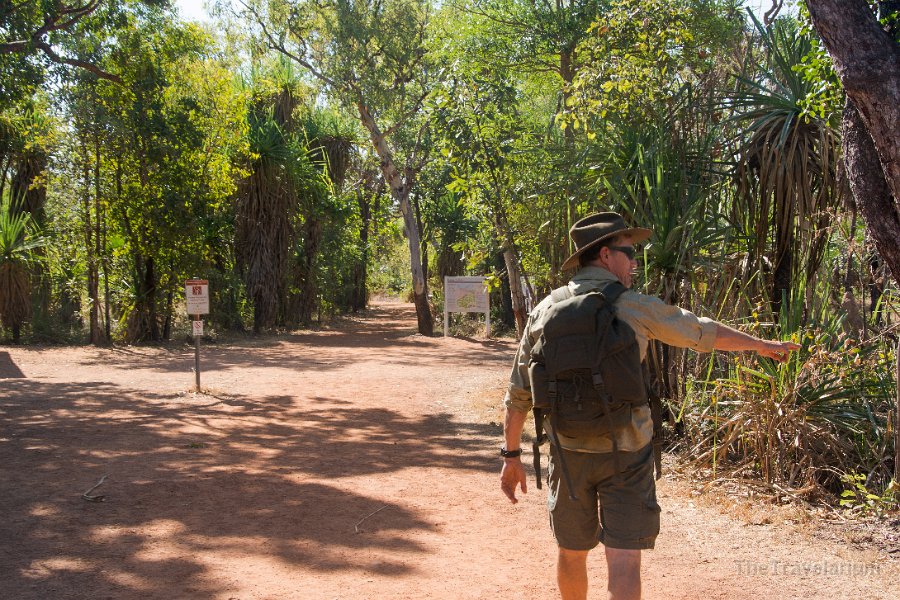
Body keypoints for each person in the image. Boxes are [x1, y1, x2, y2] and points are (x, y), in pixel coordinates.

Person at [499, 212, 800, 600]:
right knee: (624, 559)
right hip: (628, 451)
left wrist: (510, 456)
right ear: (606, 255)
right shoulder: (634, 306)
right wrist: (761, 345)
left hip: (568, 450)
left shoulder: (543, 311)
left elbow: (518, 392)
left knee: (571, 553)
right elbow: (701, 332)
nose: (634, 261)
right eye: (629, 251)